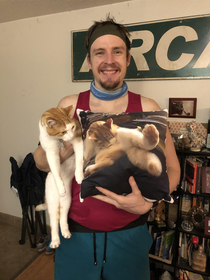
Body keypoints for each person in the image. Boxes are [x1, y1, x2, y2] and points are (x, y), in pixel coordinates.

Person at [34, 16, 180, 280]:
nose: (109, 60)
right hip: (75, 233)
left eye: (117, 52)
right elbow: (42, 163)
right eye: (99, 53)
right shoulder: (70, 104)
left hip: (130, 234)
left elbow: (172, 169)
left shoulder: (147, 107)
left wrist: (148, 202)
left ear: (128, 59)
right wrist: (72, 143)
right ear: (89, 61)